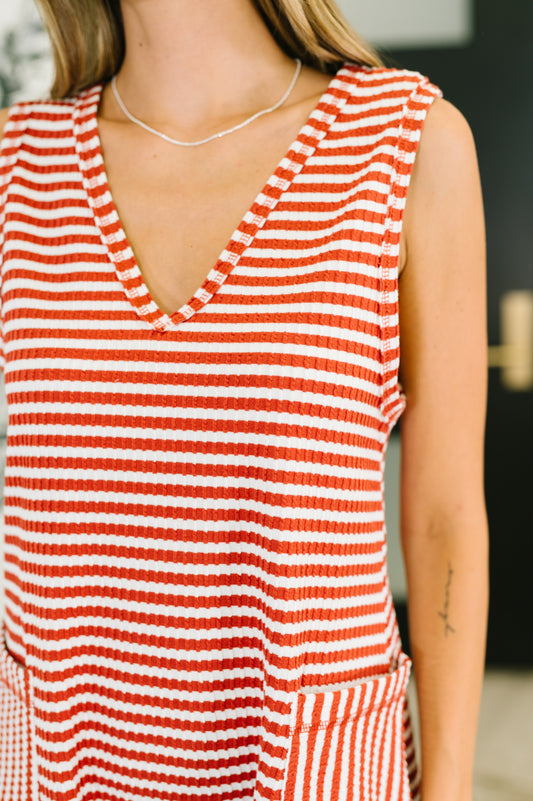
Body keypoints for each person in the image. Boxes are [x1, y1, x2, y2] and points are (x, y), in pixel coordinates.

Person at [0, 1, 488, 800]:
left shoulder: (405, 143)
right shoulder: (18, 164)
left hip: (309, 761)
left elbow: (444, 519)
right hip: (64, 756)